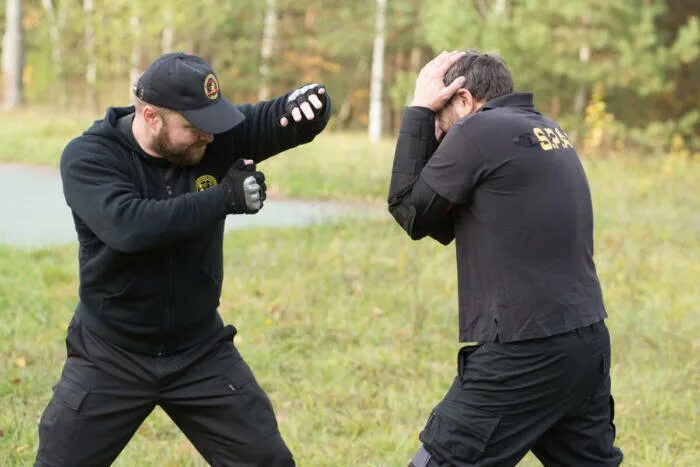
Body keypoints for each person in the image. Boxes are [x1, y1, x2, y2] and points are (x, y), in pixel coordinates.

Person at [34, 52, 331, 466]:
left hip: (199, 350)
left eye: (212, 125)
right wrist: (224, 198)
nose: (208, 138)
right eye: (194, 128)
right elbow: (130, 228)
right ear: (151, 116)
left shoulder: (211, 135)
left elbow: (273, 120)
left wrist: (310, 107)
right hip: (111, 352)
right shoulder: (90, 157)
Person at [388, 49, 623, 466]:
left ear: (462, 100)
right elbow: (437, 223)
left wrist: (417, 113)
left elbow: (408, 209)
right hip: (585, 343)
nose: (439, 132)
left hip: (525, 353)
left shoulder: (478, 130)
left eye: (440, 116)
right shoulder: (545, 130)